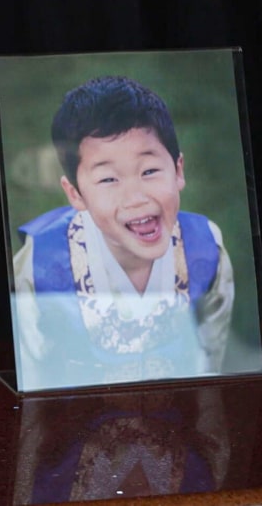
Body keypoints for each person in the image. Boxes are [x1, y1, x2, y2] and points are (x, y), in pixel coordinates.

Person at [12, 75, 234, 391]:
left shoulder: (206, 248)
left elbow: (209, 363)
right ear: (74, 193)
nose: (135, 197)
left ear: (178, 170)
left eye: (149, 171)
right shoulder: (40, 262)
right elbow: (32, 378)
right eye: (108, 179)